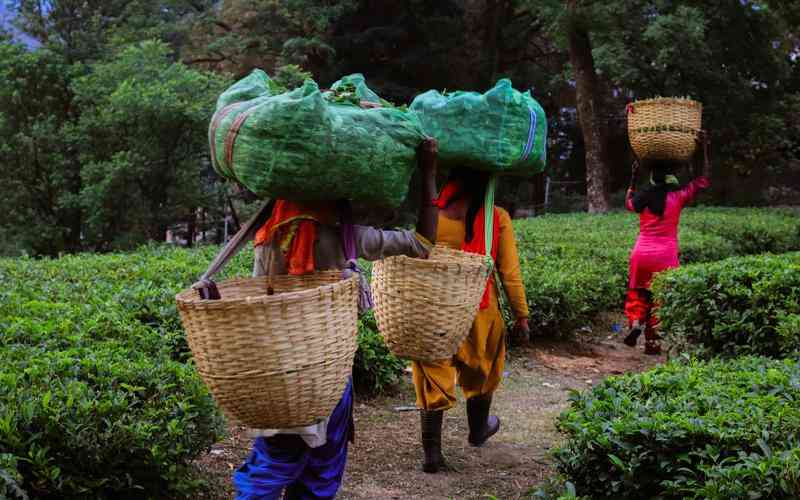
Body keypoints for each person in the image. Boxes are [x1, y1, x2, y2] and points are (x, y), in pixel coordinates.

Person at [233, 138, 440, 500]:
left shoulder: (268, 233)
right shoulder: (346, 236)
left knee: (274, 460)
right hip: (323, 373)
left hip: (271, 368)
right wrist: (429, 172)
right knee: (315, 467)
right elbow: (423, 241)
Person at [411, 168, 530, 473]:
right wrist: (522, 316)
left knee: (433, 371)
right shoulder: (497, 217)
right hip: (480, 310)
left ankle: (432, 453)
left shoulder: (432, 214)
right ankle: (478, 430)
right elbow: (510, 273)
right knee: (483, 369)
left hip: (435, 310)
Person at [623, 132, 712, 355]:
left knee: (637, 293)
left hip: (641, 254)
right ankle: (653, 343)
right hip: (665, 256)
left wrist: (633, 178)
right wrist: (703, 151)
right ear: (671, 178)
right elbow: (702, 181)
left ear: (651, 178)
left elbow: (628, 202)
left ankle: (635, 323)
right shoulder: (678, 197)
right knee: (659, 299)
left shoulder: (641, 199)